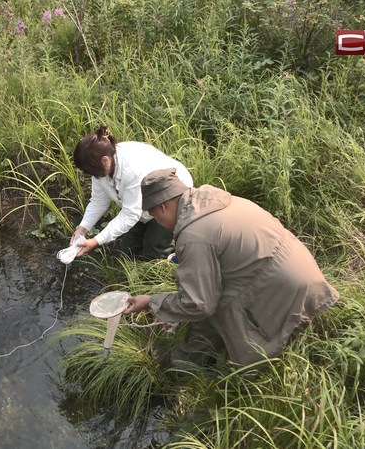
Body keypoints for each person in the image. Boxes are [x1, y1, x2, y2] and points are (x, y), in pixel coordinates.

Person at [122, 168, 339, 367]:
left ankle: (190, 372)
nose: (157, 223)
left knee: (242, 367)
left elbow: (199, 305)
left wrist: (152, 302)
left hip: (280, 288)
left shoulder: (193, 236)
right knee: (213, 301)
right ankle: (185, 359)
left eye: (155, 216)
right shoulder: (219, 201)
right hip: (305, 272)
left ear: (162, 207)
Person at [70, 125, 194, 260]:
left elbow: (130, 215)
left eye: (90, 171)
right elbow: (98, 201)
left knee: (155, 250)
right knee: (128, 249)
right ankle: (132, 274)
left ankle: (157, 274)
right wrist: (82, 229)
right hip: (139, 202)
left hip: (168, 199)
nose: (91, 176)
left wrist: (95, 241)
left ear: (105, 161)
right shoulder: (99, 168)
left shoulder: (133, 170)